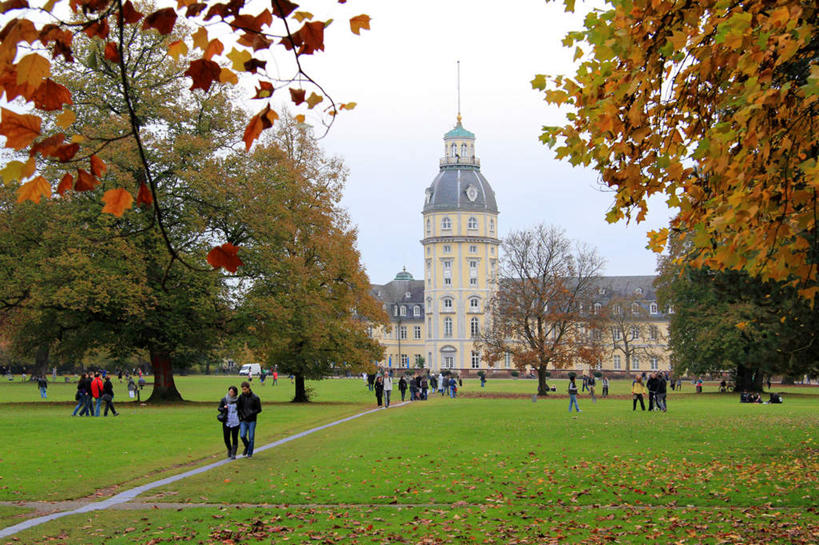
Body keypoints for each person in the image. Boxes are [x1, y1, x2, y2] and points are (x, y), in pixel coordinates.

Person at [237, 381, 262, 458]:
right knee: (242, 435)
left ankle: (250, 453)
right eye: (242, 389)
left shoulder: (255, 398)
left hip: (252, 420)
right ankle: (247, 446)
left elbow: (259, 409)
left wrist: (251, 413)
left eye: (245, 389)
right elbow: (239, 407)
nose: (243, 391)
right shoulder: (241, 397)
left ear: (248, 388)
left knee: (251, 437)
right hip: (243, 420)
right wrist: (242, 415)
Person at [219, 386, 240, 459]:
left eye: (232, 392)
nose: (230, 393)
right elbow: (219, 408)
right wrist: (223, 408)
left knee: (234, 437)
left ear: (235, 393)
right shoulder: (224, 399)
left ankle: (233, 453)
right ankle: (229, 449)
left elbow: (241, 409)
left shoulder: (238, 400)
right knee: (226, 438)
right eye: (229, 391)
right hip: (227, 421)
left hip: (235, 421)